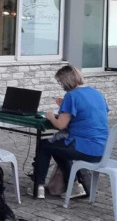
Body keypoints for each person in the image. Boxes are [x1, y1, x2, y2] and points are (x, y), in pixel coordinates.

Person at [31, 65, 109, 200]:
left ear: (65, 81)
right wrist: (65, 106)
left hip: (84, 148)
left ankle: (39, 187)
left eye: (60, 82)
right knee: (59, 148)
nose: (61, 85)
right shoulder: (96, 93)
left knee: (44, 145)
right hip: (102, 149)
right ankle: (75, 186)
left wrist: (51, 116)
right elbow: (88, 115)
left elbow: (61, 125)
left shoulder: (71, 96)